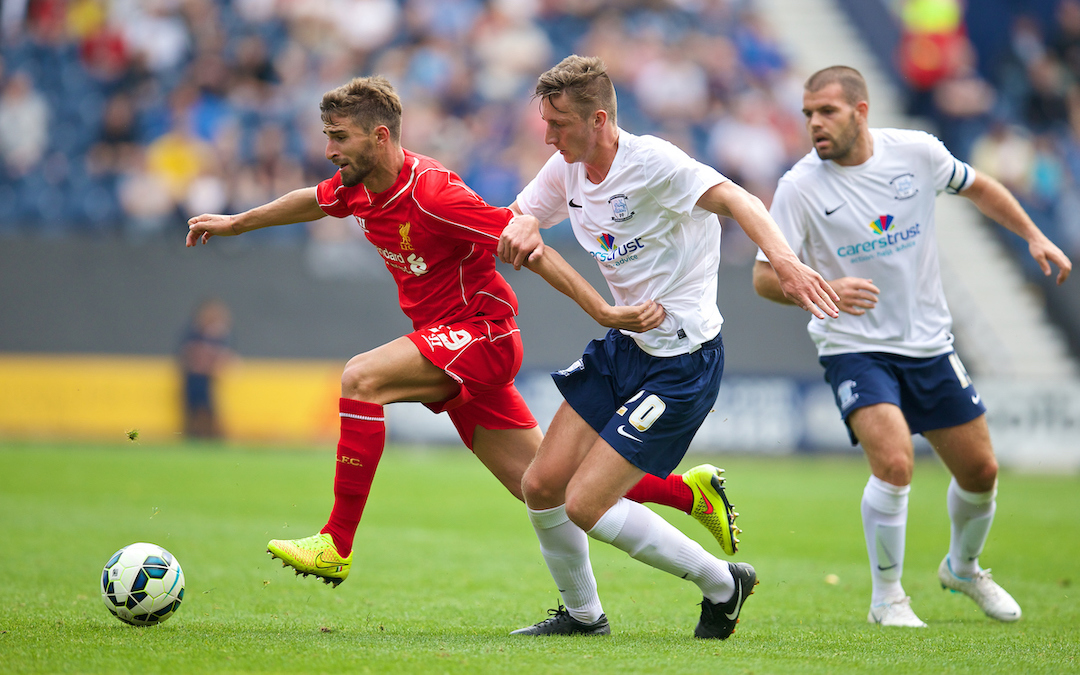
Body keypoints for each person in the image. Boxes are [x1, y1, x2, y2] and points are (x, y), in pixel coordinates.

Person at [185, 75, 742, 593]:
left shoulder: (433, 195)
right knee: (542, 484)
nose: (329, 149)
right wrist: (236, 222)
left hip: (482, 336)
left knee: (361, 378)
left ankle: (337, 542)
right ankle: (682, 497)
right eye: (327, 137)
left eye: (339, 137)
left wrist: (601, 309)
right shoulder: (358, 187)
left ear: (379, 137)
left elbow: (528, 243)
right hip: (446, 345)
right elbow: (313, 199)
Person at [497, 55, 840, 639]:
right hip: (624, 345)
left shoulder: (654, 163)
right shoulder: (565, 170)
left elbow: (740, 201)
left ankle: (723, 583)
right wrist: (521, 228)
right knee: (539, 485)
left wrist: (784, 262)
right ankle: (583, 616)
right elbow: (515, 226)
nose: (548, 137)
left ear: (599, 119)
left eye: (559, 125)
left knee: (584, 504)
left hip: (682, 362)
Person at [752, 65, 1072, 627]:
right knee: (896, 461)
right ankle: (887, 599)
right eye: (807, 114)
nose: (814, 124)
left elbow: (980, 187)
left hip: (928, 343)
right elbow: (762, 276)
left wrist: (1034, 234)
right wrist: (819, 288)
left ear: (861, 111)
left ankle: (964, 567)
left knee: (981, 473)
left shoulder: (918, 153)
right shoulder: (799, 187)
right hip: (853, 346)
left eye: (826, 111)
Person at [178, 298, 234, 439]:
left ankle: (212, 436)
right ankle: (191, 436)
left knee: (209, 409)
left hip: (206, 380)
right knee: (192, 409)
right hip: (192, 378)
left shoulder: (219, 335)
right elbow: (188, 355)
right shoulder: (194, 332)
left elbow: (223, 357)